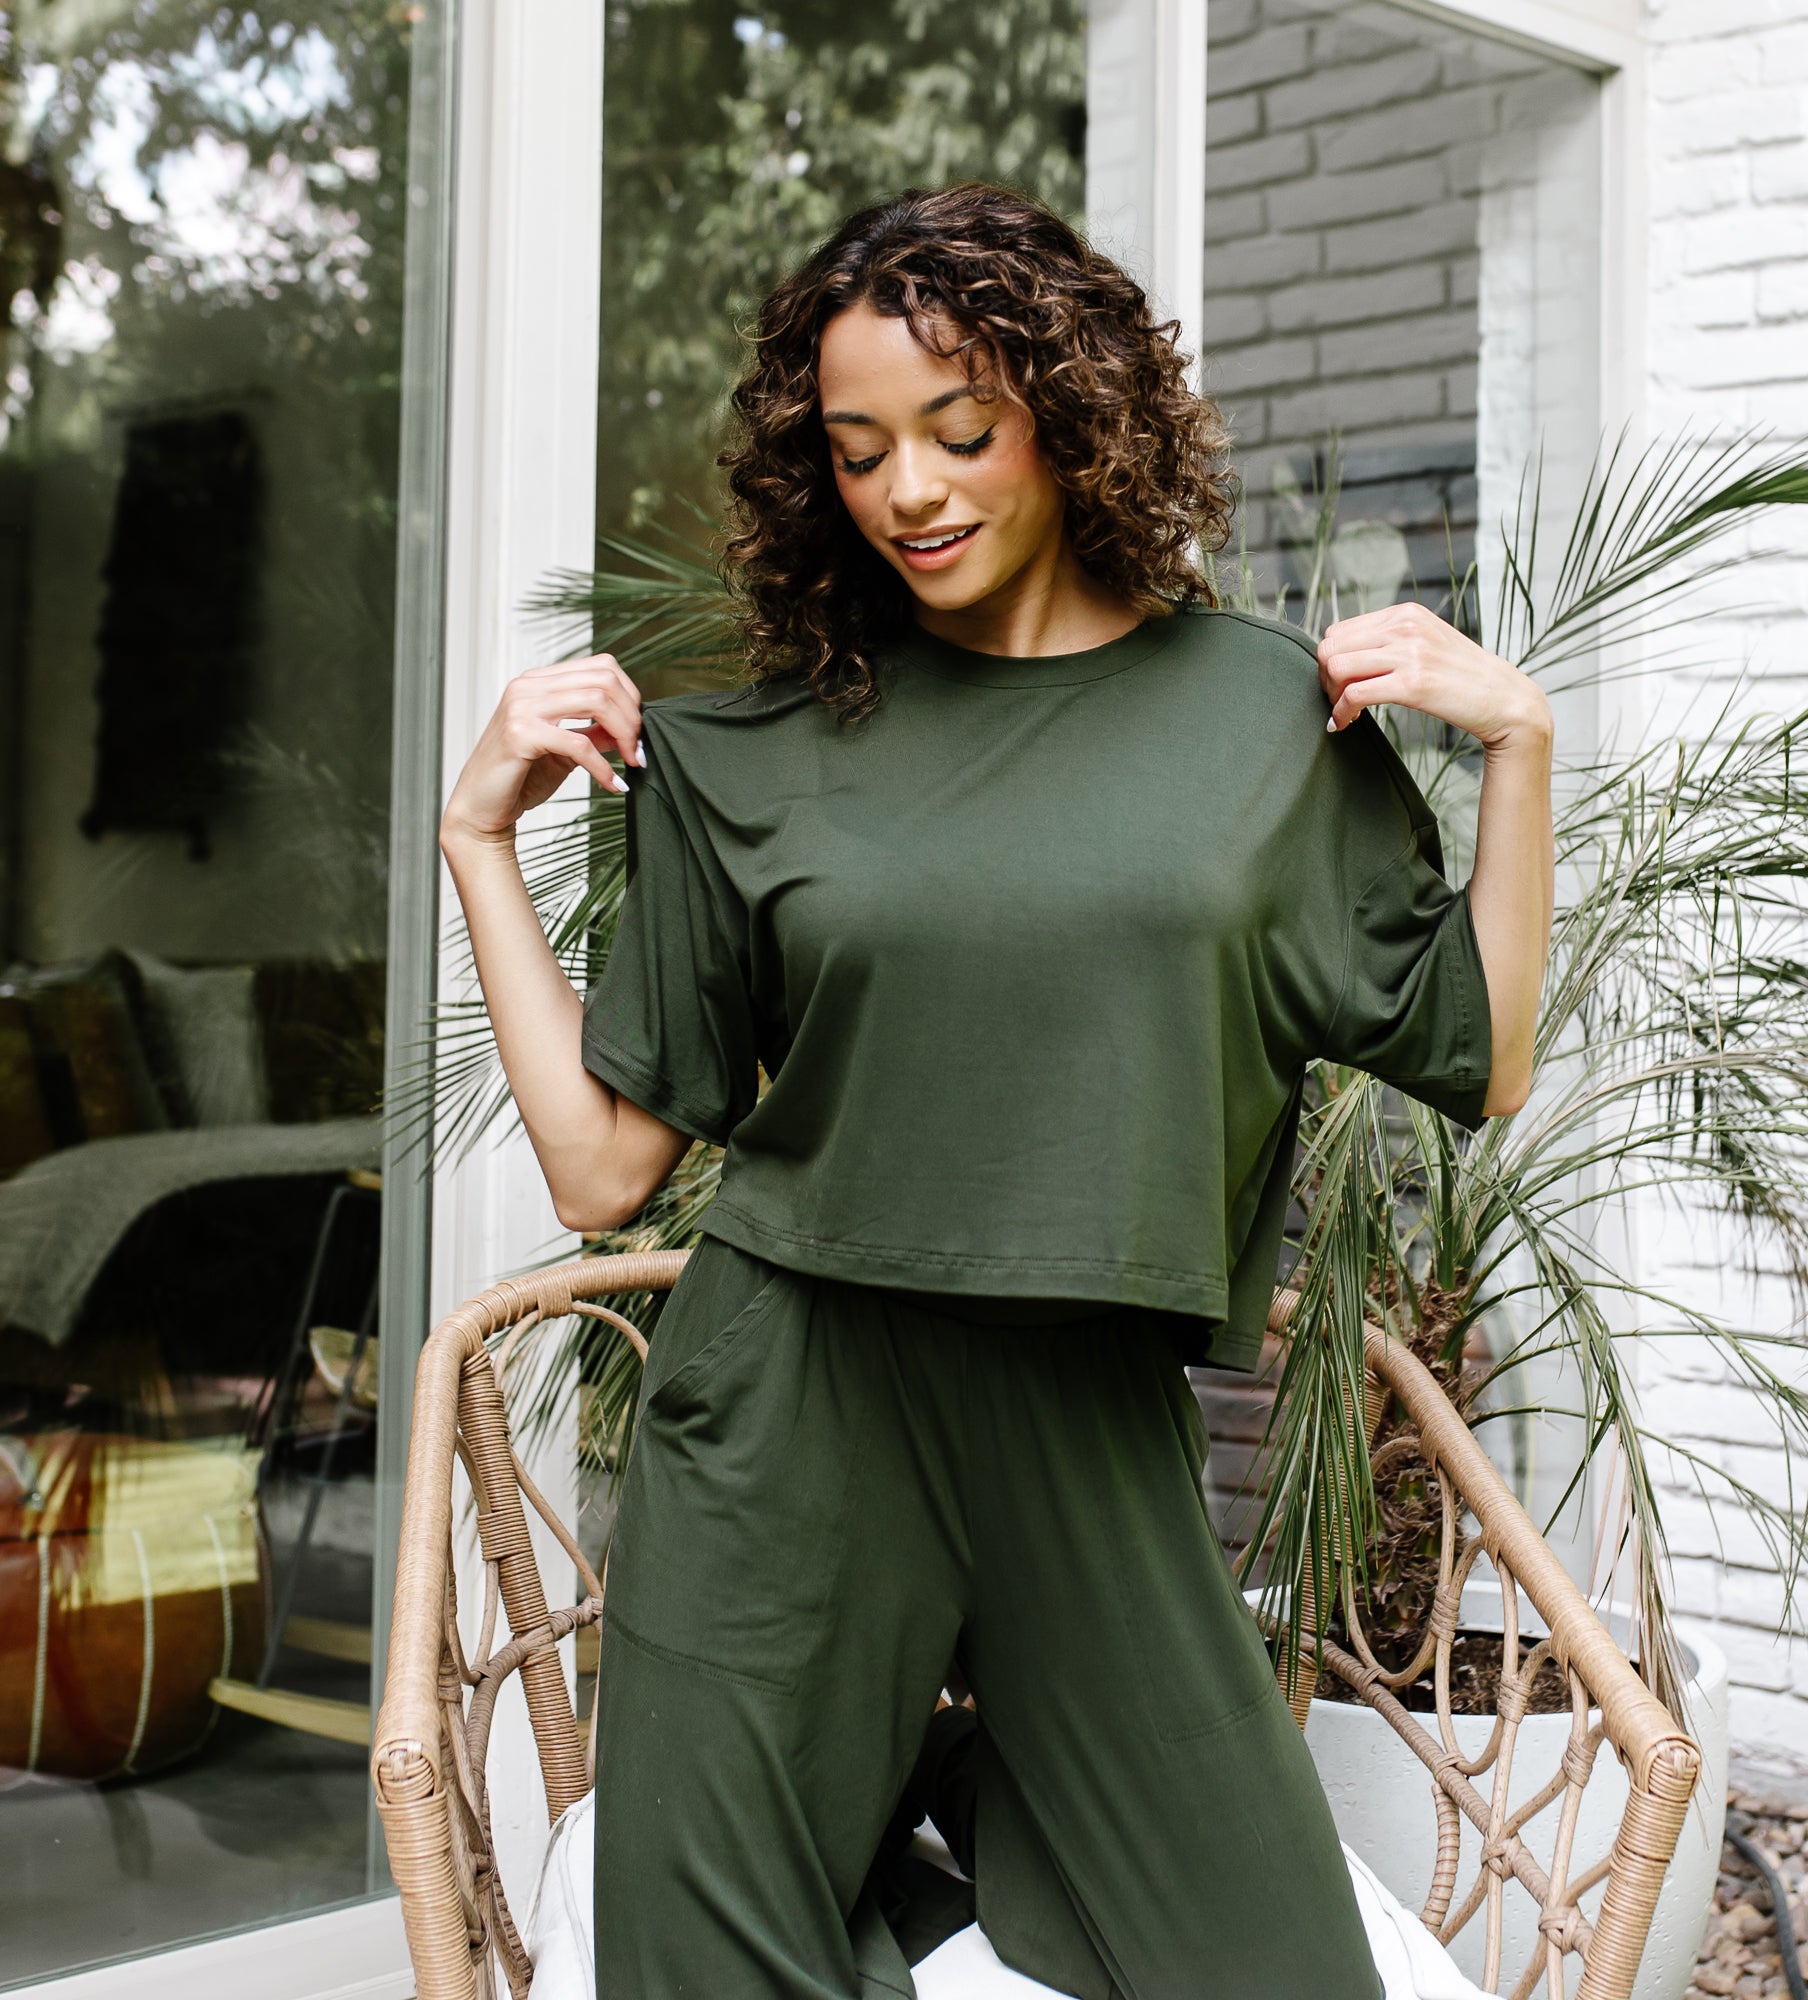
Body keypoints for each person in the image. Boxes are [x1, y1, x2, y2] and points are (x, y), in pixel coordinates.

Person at [438, 183, 1553, 2000]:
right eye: (861, 449)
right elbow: (597, 1169)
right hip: (790, 1400)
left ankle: (942, 1793)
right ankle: (900, 1808)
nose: (912, 492)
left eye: (961, 433)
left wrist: (1520, 747)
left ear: (1074, 413)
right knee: (700, 1962)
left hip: (1089, 1422)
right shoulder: (757, 749)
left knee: (1275, 1974)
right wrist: (475, 837)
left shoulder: (1263, 721)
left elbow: (1481, 1059)